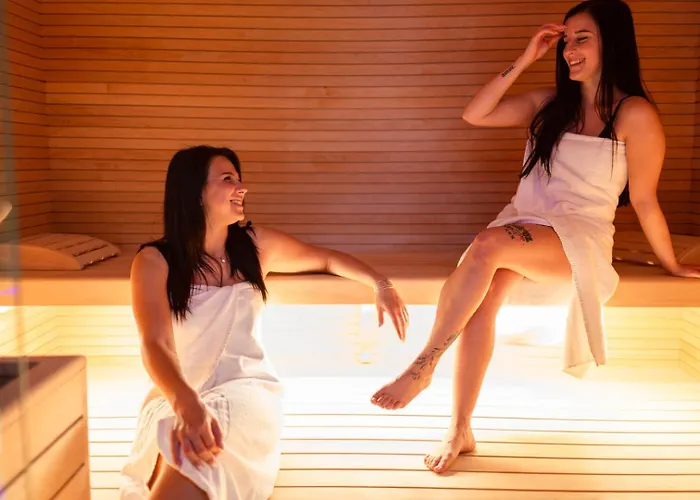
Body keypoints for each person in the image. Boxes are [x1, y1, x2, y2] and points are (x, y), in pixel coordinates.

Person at [370, 0, 700, 475]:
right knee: (484, 298)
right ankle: (459, 428)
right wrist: (526, 58)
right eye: (565, 41)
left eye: (582, 38)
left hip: (578, 236)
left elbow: (646, 200)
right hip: (524, 223)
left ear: (613, 42)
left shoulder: (635, 114)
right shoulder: (550, 105)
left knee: (487, 243)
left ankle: (423, 367)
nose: (569, 50)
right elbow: (475, 114)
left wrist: (671, 263)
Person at [119, 145, 409, 500]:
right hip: (178, 390)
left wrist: (381, 284)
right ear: (194, 190)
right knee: (177, 447)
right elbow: (155, 343)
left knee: (200, 450)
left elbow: (326, 259)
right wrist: (185, 402)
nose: (242, 188)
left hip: (246, 387)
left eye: (238, 179)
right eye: (228, 179)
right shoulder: (155, 261)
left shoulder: (256, 245)